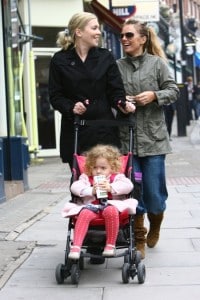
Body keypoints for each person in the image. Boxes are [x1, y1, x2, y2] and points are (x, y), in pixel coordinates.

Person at [116, 19, 179, 258]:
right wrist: (121, 104)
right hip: (128, 139)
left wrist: (154, 95)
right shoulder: (117, 66)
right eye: (122, 36)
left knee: (154, 194)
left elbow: (174, 91)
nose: (124, 39)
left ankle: (157, 221)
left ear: (143, 39)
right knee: (133, 191)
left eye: (129, 35)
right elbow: (111, 97)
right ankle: (138, 238)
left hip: (154, 139)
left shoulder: (158, 64)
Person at [48, 12, 135, 169]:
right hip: (75, 130)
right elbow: (55, 96)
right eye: (94, 28)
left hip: (104, 130)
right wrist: (71, 107)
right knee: (81, 186)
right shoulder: (59, 60)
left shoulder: (105, 57)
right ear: (79, 32)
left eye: (98, 28)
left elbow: (116, 91)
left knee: (107, 184)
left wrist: (123, 104)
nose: (98, 32)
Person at [62, 144, 138, 260]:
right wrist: (89, 190)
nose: (98, 171)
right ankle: (76, 247)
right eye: (95, 167)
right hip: (92, 207)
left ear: (112, 167)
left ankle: (110, 245)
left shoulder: (117, 177)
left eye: (103, 168)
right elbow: (75, 187)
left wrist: (111, 187)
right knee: (84, 213)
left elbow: (128, 186)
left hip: (111, 206)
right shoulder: (86, 177)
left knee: (111, 210)